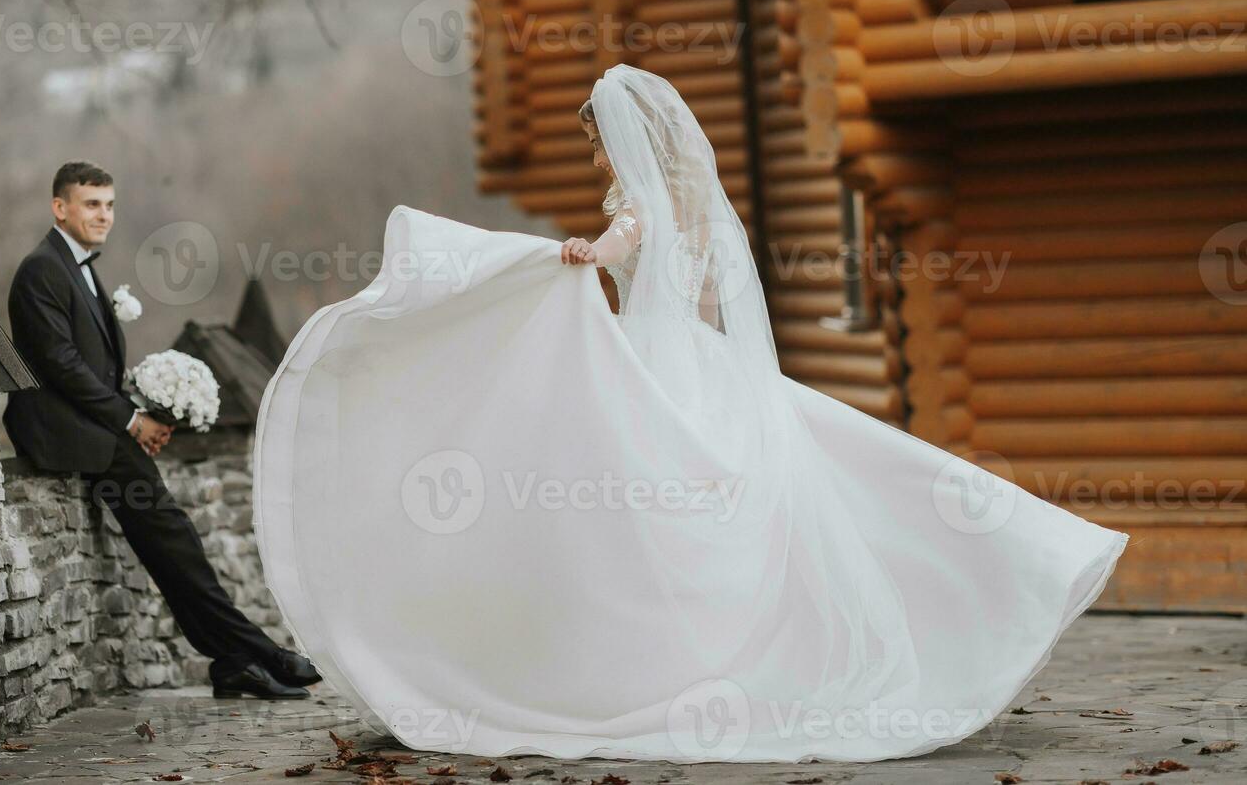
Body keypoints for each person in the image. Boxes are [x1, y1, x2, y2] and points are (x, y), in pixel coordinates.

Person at [251, 65, 1129, 761]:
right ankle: (1015, 556)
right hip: (698, 358)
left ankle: (633, 668)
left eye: (596, 142)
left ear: (621, 140)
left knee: (632, 515)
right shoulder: (701, 209)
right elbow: (704, 296)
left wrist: (579, 252)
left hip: (658, 360)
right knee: (824, 477)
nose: (597, 158)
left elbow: (612, 249)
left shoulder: (638, 208)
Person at [5, 161, 321, 700]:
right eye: (90, 204)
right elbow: (59, 363)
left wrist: (141, 402)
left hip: (95, 426)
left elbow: (88, 365)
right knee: (173, 536)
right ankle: (258, 653)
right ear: (60, 208)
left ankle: (235, 660)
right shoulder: (42, 270)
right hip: (66, 432)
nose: (103, 215)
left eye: (108, 204)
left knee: (172, 542)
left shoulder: (77, 266)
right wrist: (131, 418)